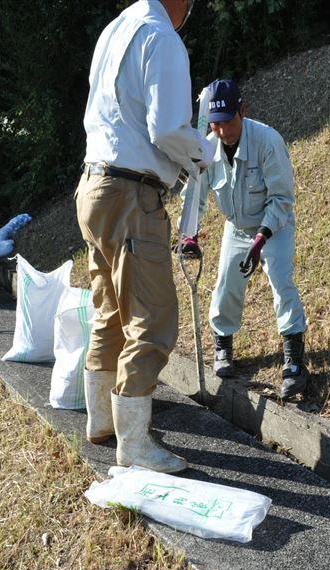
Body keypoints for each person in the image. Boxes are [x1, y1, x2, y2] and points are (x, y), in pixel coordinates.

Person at [76, 0, 212, 473]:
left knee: (109, 307)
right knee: (151, 317)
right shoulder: (162, 38)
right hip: (131, 193)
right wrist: (203, 154)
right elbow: (169, 127)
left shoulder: (115, 28)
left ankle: (100, 419)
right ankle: (133, 444)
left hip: (93, 186)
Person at [180, 79, 309, 399]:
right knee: (226, 284)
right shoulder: (206, 148)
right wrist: (189, 235)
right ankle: (223, 346)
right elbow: (193, 194)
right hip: (237, 227)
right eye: (216, 124)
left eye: (229, 122)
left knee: (281, 280)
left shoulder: (267, 141)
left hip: (273, 226)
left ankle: (294, 360)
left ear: (243, 110)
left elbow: (281, 199)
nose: (223, 131)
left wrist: (261, 239)